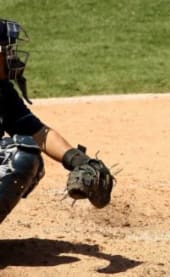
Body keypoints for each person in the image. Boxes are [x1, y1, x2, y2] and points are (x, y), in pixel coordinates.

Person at [0, 18, 115, 224]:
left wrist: (78, 160)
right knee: (16, 160)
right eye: (5, 49)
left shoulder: (2, 92)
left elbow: (38, 133)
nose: (11, 56)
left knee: (25, 154)